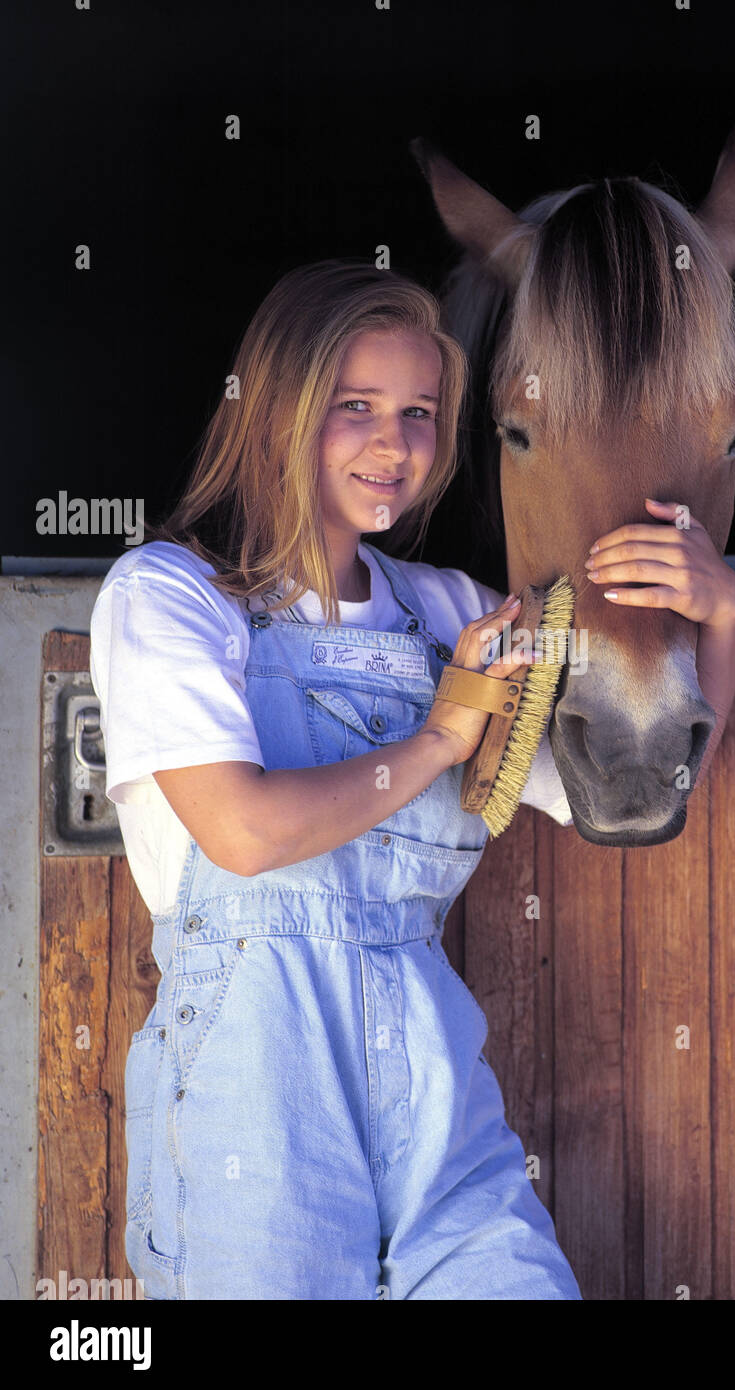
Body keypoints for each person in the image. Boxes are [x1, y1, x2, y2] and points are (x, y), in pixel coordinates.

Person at [89, 259, 582, 1300]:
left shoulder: (448, 608)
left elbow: (619, 793)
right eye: (354, 406)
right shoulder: (171, 598)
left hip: (436, 1082)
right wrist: (442, 736)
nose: (395, 444)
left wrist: (716, 615)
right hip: (252, 1089)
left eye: (420, 411)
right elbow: (244, 834)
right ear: (280, 408)